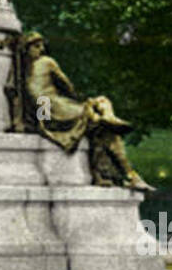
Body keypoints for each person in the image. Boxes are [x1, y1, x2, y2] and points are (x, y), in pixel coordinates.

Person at [15, 31, 154, 190]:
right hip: (50, 105)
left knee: (98, 122)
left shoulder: (20, 68)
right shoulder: (47, 62)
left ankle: (107, 124)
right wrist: (75, 98)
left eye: (41, 46)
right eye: (36, 46)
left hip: (42, 111)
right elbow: (66, 85)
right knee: (100, 107)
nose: (41, 49)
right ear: (27, 48)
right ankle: (128, 172)